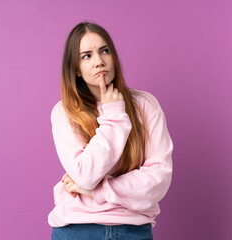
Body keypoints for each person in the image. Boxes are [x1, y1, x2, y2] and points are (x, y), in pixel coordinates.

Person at [48, 21, 173, 240]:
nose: (99, 61)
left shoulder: (145, 104)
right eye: (86, 55)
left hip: (133, 230)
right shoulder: (64, 112)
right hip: (76, 230)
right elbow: (85, 176)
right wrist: (113, 114)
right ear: (75, 68)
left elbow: (158, 180)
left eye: (104, 51)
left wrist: (96, 191)